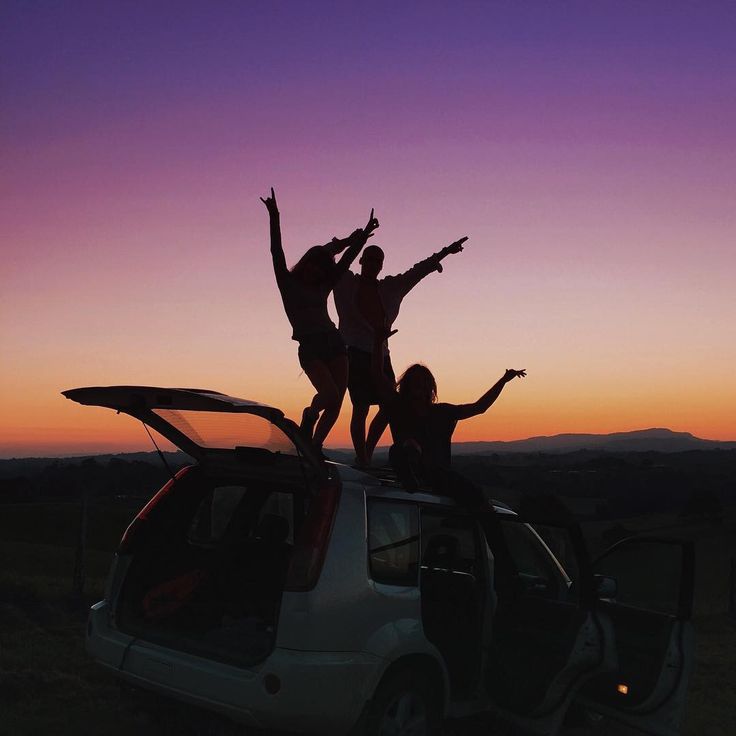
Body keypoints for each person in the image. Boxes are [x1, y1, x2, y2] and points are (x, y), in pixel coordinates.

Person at [261, 187, 379, 451]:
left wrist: (363, 236)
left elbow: (345, 261)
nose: (316, 270)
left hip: (334, 342)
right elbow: (276, 252)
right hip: (310, 347)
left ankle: (314, 446)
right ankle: (309, 415)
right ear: (306, 263)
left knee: (337, 404)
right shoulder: (287, 283)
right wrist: (274, 216)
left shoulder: (323, 286)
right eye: (313, 264)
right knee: (329, 395)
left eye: (320, 266)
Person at [333, 236, 468, 467]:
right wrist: (354, 240)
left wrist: (444, 253)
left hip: (382, 356)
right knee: (360, 408)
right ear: (361, 260)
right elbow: (333, 261)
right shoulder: (345, 283)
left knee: (389, 407)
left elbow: (416, 272)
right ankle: (363, 459)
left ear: (382, 265)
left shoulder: (390, 288)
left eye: (378, 260)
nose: (374, 264)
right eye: (370, 259)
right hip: (354, 353)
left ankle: (365, 452)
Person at [371, 329, 526, 507]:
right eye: (416, 382)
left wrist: (503, 381)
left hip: (439, 475)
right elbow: (377, 376)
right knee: (399, 450)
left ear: (429, 387)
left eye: (423, 382)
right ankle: (411, 478)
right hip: (414, 468)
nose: (419, 387)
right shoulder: (399, 407)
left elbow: (479, 407)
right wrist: (377, 344)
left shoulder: (442, 412)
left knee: (478, 498)